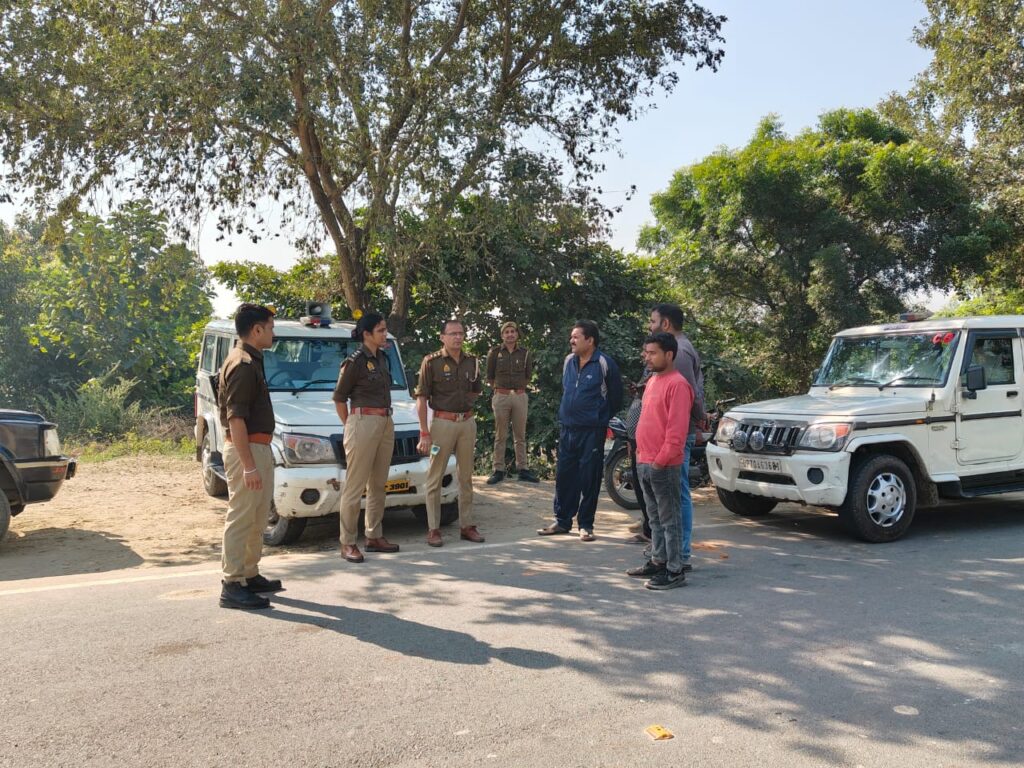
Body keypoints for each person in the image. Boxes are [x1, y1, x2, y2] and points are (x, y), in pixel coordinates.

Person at [218, 303, 283, 610]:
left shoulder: (252, 360)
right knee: (242, 516)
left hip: (258, 447)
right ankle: (232, 584)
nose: (273, 333)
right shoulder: (243, 364)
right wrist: (248, 466)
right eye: (270, 328)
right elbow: (236, 419)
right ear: (257, 330)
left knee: (257, 516)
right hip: (247, 450)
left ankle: (248, 573)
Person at [538, 320, 623, 541]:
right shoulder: (569, 361)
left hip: (592, 432)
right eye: (571, 336)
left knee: (589, 477)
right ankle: (562, 521)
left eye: (576, 337)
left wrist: (599, 419)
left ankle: (586, 524)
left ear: (590, 340)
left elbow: (616, 398)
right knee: (565, 476)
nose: (572, 340)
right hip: (568, 428)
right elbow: (567, 390)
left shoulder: (604, 363)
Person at [626, 333, 693, 590]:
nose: (647, 357)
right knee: (653, 519)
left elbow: (676, 434)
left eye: (652, 353)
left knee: (670, 519)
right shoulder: (653, 380)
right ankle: (658, 560)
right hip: (645, 460)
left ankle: (675, 570)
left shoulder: (678, 385)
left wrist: (659, 462)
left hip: (663, 465)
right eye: (646, 352)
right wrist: (641, 456)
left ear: (669, 354)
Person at [333, 312, 401, 563]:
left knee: (378, 483)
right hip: (362, 422)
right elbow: (339, 398)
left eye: (385, 329)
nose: (385, 334)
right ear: (366, 334)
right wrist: (351, 425)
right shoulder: (355, 362)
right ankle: (348, 542)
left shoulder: (382, 358)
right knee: (355, 486)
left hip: (385, 421)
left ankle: (374, 535)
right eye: (380, 330)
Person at [415, 318, 486, 547]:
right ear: (442, 337)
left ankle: (467, 525)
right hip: (442, 425)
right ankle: (433, 529)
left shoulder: (472, 362)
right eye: (453, 333)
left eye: (461, 333)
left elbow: (476, 391)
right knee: (435, 476)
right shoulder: (431, 362)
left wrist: (463, 407)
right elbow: (422, 398)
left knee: (466, 476)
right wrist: (424, 432)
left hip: (467, 423)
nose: (458, 337)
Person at [649, 303, 704, 572]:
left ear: (666, 324)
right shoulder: (676, 348)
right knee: (669, 497)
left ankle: (679, 556)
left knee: (676, 496)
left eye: (653, 321)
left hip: (676, 438)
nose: (650, 326)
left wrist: (700, 420)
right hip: (669, 438)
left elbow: (686, 396)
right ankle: (665, 554)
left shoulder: (678, 352)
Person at [485, 321, 538, 484]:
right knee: (500, 435)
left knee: (520, 435)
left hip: (520, 396)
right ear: (502, 335)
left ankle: (523, 469)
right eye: (506, 332)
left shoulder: (525, 353)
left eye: (512, 331)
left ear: (517, 334)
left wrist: (518, 389)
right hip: (501, 396)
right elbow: (489, 376)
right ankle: (498, 470)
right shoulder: (494, 353)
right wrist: (500, 390)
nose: (510, 334)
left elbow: (528, 375)